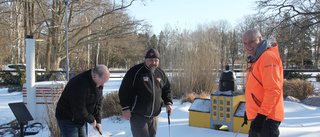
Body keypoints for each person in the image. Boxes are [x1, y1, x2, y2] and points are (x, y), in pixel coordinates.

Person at [118, 49, 173, 137]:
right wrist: (125, 108)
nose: (153, 62)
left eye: (156, 60)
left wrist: (168, 103)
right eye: (151, 60)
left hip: (154, 116)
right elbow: (123, 90)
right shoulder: (135, 71)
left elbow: (167, 89)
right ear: (145, 59)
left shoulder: (160, 73)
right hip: (138, 116)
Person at [242, 29, 284, 137]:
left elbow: (273, 90)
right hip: (258, 116)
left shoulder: (267, 57)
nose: (248, 46)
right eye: (245, 43)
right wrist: (249, 110)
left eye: (251, 42)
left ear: (260, 39)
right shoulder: (257, 59)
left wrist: (262, 115)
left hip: (267, 118)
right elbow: (256, 88)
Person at [55, 65, 110, 137]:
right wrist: (91, 120)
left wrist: (98, 120)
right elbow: (78, 108)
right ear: (94, 76)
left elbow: (98, 103)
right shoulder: (79, 84)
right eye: (102, 82)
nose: (102, 85)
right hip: (67, 117)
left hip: (81, 118)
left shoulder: (97, 83)